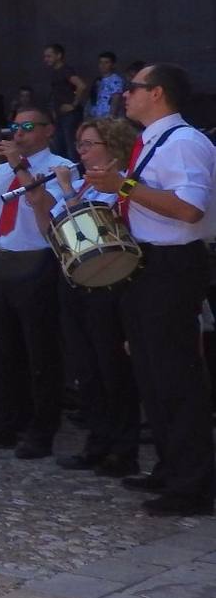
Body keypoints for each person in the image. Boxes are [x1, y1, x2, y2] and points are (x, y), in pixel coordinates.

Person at [85, 64, 215, 516]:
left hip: (172, 265)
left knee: (175, 375)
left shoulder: (183, 143)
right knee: (151, 374)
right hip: (147, 264)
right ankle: (171, 468)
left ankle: (193, 484)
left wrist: (122, 183)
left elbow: (189, 209)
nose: (124, 95)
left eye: (133, 88)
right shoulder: (154, 142)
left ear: (157, 93)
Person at [23, 117, 140, 478]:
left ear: (112, 147)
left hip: (108, 283)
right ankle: (97, 441)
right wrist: (41, 200)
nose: (82, 152)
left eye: (90, 144)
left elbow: (99, 229)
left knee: (111, 368)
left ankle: (123, 450)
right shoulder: (86, 186)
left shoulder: (121, 184)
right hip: (73, 281)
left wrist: (67, 191)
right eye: (81, 145)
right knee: (85, 368)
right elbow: (54, 234)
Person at [0, 108, 70, 458]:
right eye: (14, 126)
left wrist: (21, 163)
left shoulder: (60, 166)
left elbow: (52, 209)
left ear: (48, 130)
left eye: (28, 126)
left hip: (37, 262)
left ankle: (40, 429)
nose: (18, 133)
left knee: (39, 351)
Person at [43, 43, 86, 159]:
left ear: (59, 55)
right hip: (60, 116)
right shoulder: (55, 72)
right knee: (59, 147)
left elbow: (81, 85)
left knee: (71, 147)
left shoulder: (66, 70)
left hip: (70, 116)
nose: (46, 59)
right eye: (45, 56)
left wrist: (73, 104)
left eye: (49, 56)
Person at [88, 52, 125, 119]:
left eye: (106, 62)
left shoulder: (115, 80)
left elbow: (116, 98)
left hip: (107, 117)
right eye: (100, 62)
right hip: (97, 116)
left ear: (113, 65)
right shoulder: (99, 80)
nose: (103, 65)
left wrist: (111, 116)